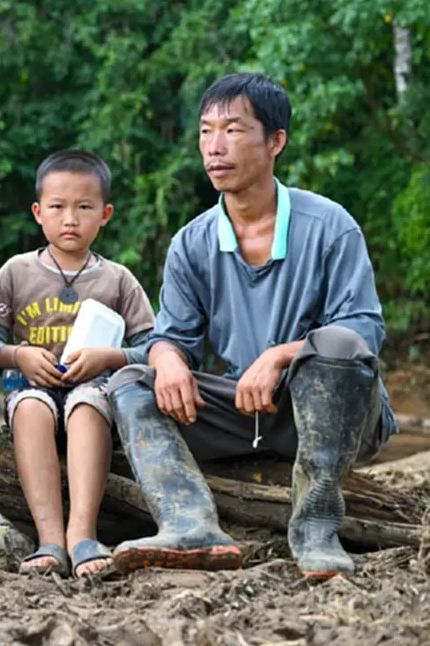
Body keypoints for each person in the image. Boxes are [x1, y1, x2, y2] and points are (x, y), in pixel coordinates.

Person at [105, 72, 399, 580]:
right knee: (132, 382)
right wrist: (167, 358)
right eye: (205, 131)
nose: (214, 147)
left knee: (338, 343)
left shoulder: (329, 225)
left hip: (339, 412)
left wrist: (279, 355)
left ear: (275, 141)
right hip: (247, 411)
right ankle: (190, 524)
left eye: (233, 131)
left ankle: (317, 530)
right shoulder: (191, 242)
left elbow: (364, 332)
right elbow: (173, 337)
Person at [0, 150, 155, 578]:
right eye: (57, 207)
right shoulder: (17, 271)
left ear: (105, 214)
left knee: (89, 404)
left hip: (94, 391)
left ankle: (82, 534)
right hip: (30, 391)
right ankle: (49, 539)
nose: (70, 218)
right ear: (38, 212)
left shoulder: (117, 279)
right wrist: (18, 355)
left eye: (84, 207)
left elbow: (154, 347)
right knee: (32, 406)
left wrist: (109, 358)